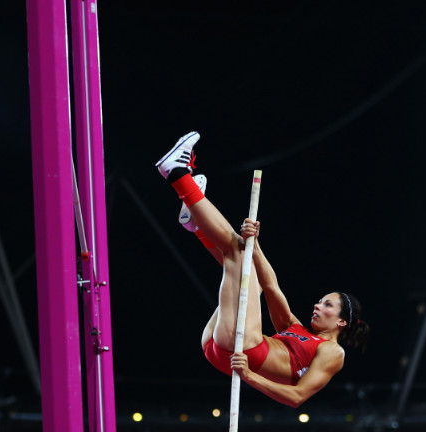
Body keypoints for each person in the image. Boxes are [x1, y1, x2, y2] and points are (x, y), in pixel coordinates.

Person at [155, 131, 370, 407]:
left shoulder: (333, 352)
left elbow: (297, 397)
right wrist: (254, 244)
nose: (317, 305)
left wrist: (248, 376)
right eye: (321, 301)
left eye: (327, 305)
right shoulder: (294, 327)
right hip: (225, 347)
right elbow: (271, 286)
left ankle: (176, 174)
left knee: (234, 251)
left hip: (239, 350)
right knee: (249, 273)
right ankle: (196, 226)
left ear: (341, 322)